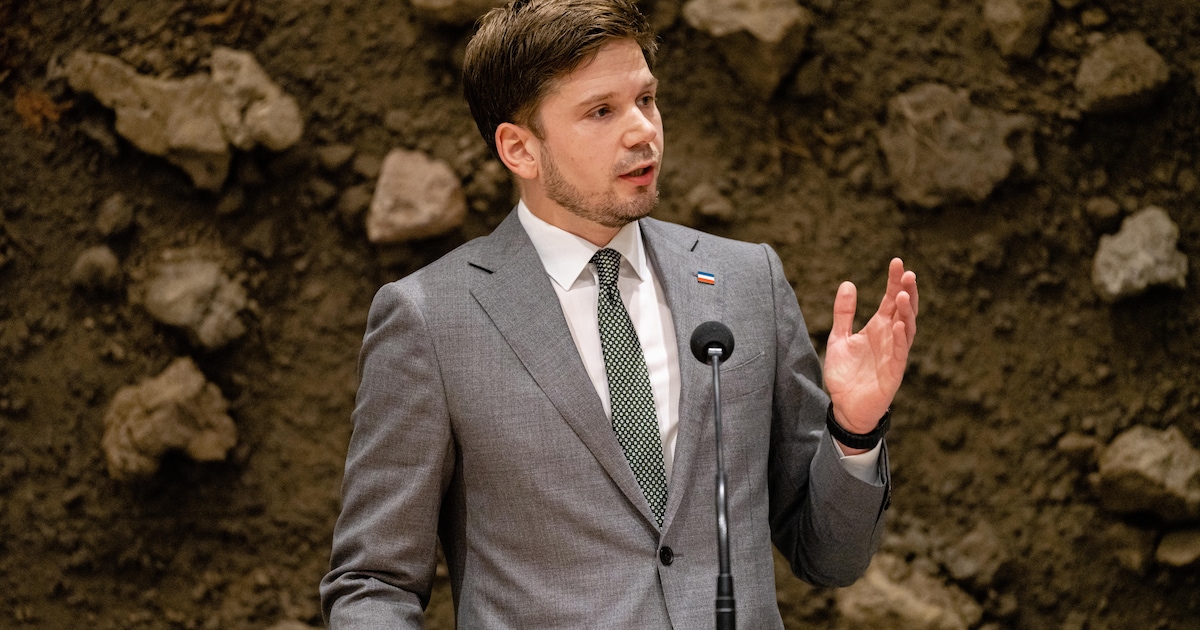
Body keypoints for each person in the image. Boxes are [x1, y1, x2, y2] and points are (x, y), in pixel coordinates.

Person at [320, 0, 919, 627]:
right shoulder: (430, 319)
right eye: (601, 111)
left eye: (646, 100)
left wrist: (854, 432)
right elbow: (373, 581)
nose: (642, 131)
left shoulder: (747, 283)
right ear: (519, 149)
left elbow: (830, 558)